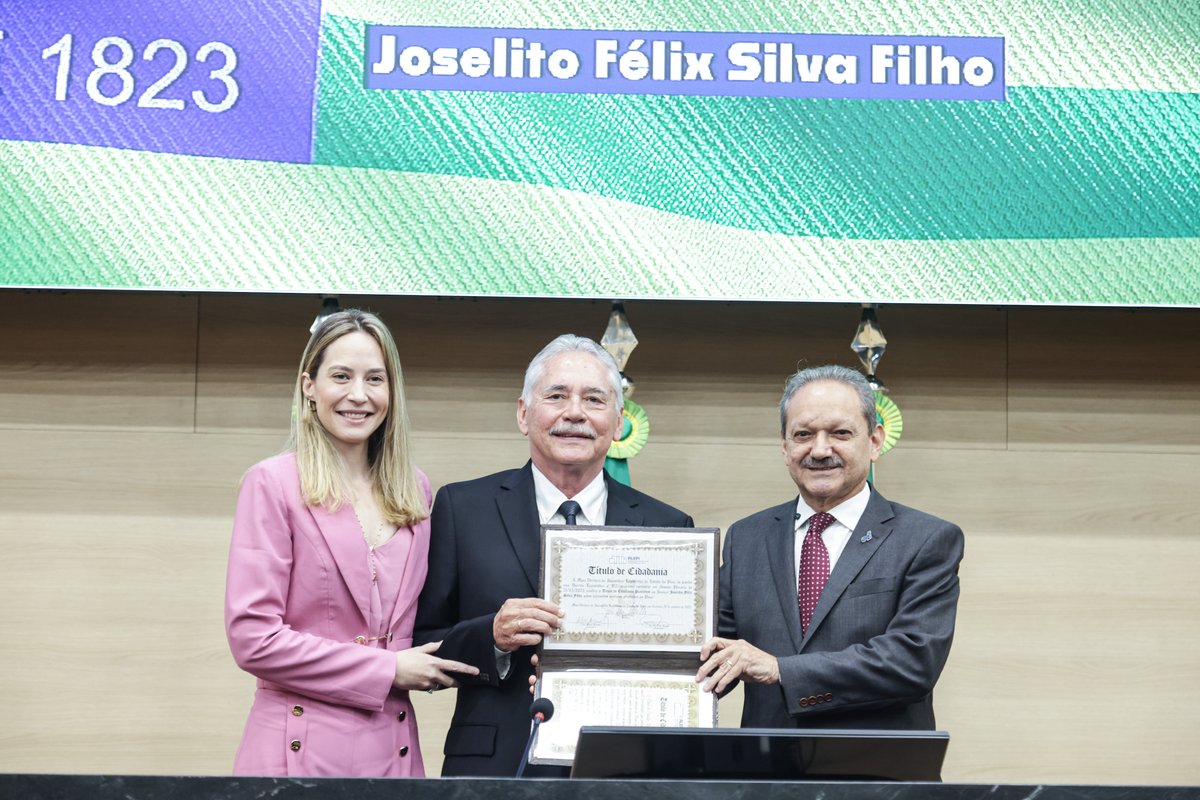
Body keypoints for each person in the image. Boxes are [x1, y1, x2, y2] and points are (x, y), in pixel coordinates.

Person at [415, 334, 693, 777]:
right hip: (495, 765)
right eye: (557, 396)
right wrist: (492, 637)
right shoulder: (462, 508)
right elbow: (422, 642)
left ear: (619, 422)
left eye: (594, 399)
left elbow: (682, 660)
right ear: (524, 414)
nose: (575, 413)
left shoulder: (668, 527)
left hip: (624, 769)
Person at [225, 309, 478, 777]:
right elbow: (253, 640)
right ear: (309, 385)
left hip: (395, 747)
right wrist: (385, 670)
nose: (358, 395)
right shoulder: (272, 482)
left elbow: (430, 621)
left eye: (375, 379)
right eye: (341, 376)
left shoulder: (414, 489)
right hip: (295, 753)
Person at [696, 364, 963, 730]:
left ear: (874, 441)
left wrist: (780, 670)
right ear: (785, 445)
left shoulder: (925, 539)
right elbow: (712, 652)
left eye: (840, 433)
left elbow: (911, 661)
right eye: (804, 434)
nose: (820, 450)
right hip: (765, 773)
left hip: (877, 776)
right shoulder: (747, 538)